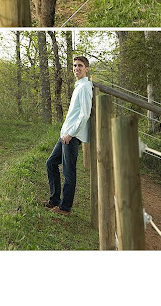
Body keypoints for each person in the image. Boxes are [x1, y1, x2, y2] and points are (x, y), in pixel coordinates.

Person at [44, 55, 93, 215]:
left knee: (68, 171)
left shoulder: (85, 87)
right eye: (75, 65)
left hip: (72, 136)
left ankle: (65, 208)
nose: (76, 68)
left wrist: (70, 134)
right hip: (66, 134)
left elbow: (85, 114)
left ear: (86, 68)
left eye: (80, 65)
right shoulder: (79, 85)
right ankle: (54, 200)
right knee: (51, 163)